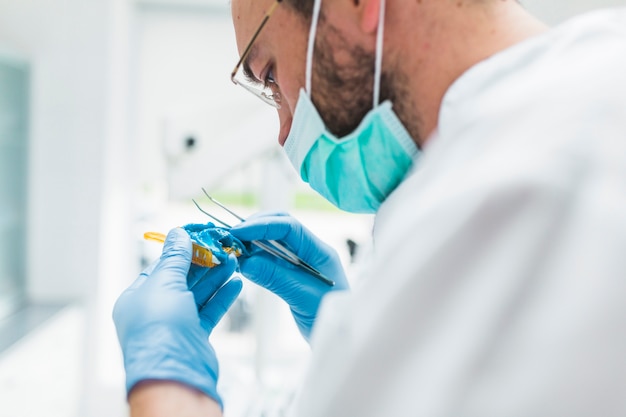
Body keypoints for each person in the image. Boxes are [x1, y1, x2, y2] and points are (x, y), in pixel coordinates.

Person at [113, 0, 626, 415]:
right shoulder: (585, 82)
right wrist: (355, 338)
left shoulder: (511, 193)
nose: (286, 131)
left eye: (270, 74)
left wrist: (168, 388)